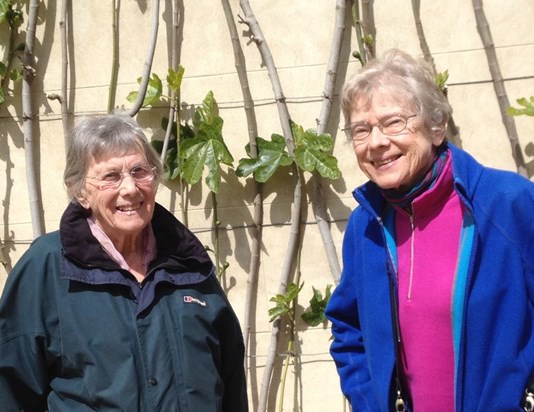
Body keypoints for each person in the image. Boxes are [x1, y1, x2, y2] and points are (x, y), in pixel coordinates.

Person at [325, 49, 534, 411]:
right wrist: (369, 401)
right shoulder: (366, 224)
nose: (376, 142)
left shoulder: (508, 204)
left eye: (393, 123)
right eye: (362, 129)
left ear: (436, 127)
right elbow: (348, 326)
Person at [0, 114, 248, 411]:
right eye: (111, 176)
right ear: (80, 191)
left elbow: (230, 376)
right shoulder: (47, 266)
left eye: (139, 171)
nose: (130, 188)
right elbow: (12, 390)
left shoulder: (188, 264)